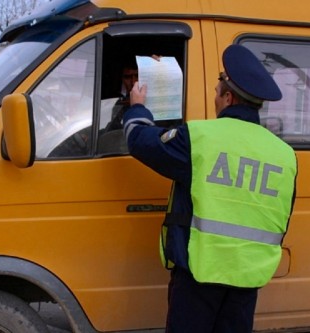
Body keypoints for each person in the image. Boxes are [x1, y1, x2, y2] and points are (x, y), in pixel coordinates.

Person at [123, 44, 297, 333]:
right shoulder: (284, 154)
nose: (214, 99)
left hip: (201, 273)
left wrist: (137, 106)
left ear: (228, 97)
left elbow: (140, 141)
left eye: (217, 93)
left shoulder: (201, 138)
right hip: (248, 277)